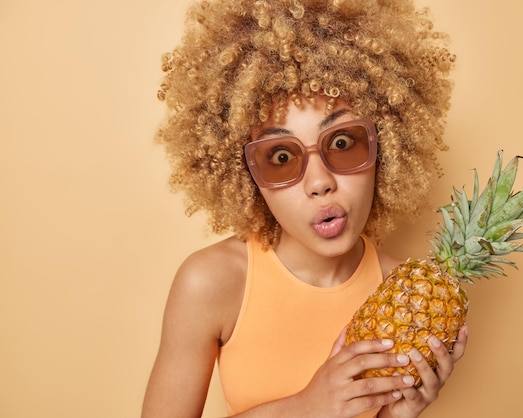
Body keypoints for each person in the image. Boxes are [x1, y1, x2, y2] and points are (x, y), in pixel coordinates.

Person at [142, 0, 468, 417]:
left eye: (343, 143)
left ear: (385, 145)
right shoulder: (212, 284)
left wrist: (397, 415)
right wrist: (306, 407)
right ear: (244, 174)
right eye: (280, 157)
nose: (319, 182)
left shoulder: (402, 290)